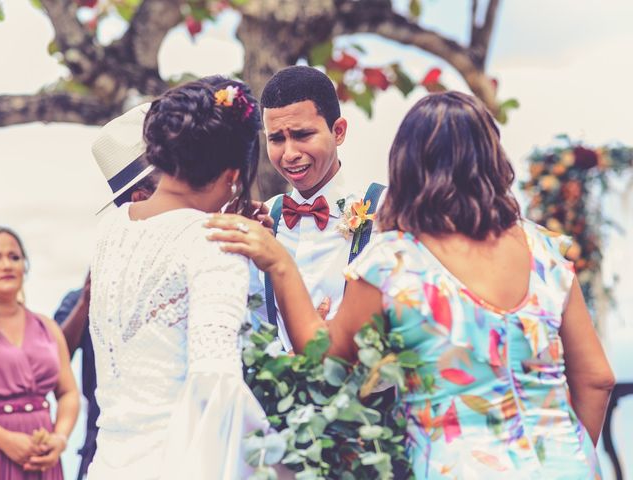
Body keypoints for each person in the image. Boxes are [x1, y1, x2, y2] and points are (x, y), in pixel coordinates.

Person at [206, 91, 615, 478]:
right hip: (567, 466)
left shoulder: (395, 262)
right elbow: (598, 379)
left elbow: (325, 365)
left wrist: (280, 264)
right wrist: (566, 459)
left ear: (405, 165)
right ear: (493, 158)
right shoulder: (543, 248)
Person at [86, 77, 267, 480]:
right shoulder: (214, 241)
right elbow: (216, 383)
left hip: (106, 465)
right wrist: (282, 460)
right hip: (180, 462)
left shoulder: (110, 230)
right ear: (233, 174)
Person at [53, 103, 161, 480]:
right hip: (104, 451)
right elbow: (54, 368)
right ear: (139, 196)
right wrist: (87, 298)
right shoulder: (81, 296)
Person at [251, 65, 385, 351]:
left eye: (302, 135)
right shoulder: (264, 218)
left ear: (338, 132)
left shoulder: (385, 212)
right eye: (276, 139)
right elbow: (254, 327)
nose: (289, 154)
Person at [0, 226, 79, 479]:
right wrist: (5, 439)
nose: (7, 264)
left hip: (44, 457)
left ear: (25, 266)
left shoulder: (47, 327)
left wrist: (60, 438)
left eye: (14, 257)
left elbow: (68, 392)